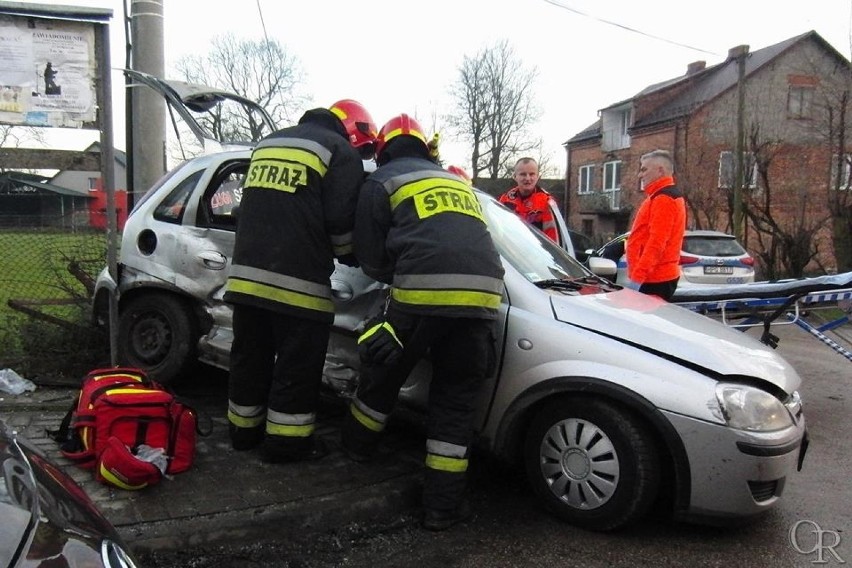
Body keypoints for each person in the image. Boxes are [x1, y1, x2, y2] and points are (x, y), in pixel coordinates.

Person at [341, 114, 505, 531]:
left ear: (383, 151)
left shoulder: (382, 182)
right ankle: (442, 509)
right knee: (454, 404)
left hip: (418, 299)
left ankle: (358, 450)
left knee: (383, 373)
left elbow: (371, 255)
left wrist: (392, 274)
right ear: (426, 149)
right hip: (482, 301)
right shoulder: (457, 183)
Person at [224, 99, 377, 463]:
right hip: (299, 287)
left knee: (249, 360)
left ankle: (242, 435)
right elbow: (340, 225)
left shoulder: (269, 142)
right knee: (296, 368)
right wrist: (355, 254)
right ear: (353, 131)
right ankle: (286, 446)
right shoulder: (338, 150)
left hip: (245, 280)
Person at [625, 149, 687, 301]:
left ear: (660, 171)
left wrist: (637, 279)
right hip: (653, 277)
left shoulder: (663, 199)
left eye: (644, 169)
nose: (640, 175)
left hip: (655, 279)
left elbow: (656, 243)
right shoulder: (659, 196)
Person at [498, 157, 558, 242]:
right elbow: (498, 231)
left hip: (535, 251)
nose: (527, 178)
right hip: (510, 250)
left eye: (532, 174)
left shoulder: (546, 202)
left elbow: (552, 240)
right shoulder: (505, 199)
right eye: (523, 174)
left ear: (537, 176)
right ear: (515, 176)